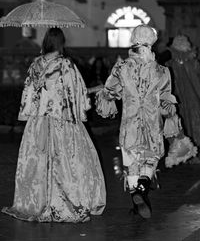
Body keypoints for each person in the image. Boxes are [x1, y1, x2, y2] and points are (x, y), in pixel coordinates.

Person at [2, 27, 106, 223]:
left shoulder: (35, 64)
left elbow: (28, 95)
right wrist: (95, 89)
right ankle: (66, 203)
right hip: (63, 123)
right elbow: (78, 94)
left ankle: (36, 202)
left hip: (38, 124)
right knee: (68, 163)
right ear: (62, 42)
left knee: (37, 162)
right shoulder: (65, 65)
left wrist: (28, 116)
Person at [95, 24, 195, 219]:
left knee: (132, 162)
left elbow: (109, 92)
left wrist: (105, 97)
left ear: (133, 40)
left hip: (130, 123)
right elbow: (167, 101)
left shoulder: (121, 67)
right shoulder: (162, 71)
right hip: (152, 123)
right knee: (150, 160)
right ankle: (141, 190)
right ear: (152, 43)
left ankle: (137, 197)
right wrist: (172, 121)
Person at [166, 34, 200, 157]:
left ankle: (186, 154)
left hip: (178, 99)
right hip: (194, 98)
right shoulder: (193, 62)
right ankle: (195, 152)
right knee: (194, 123)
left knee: (182, 124)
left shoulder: (170, 63)